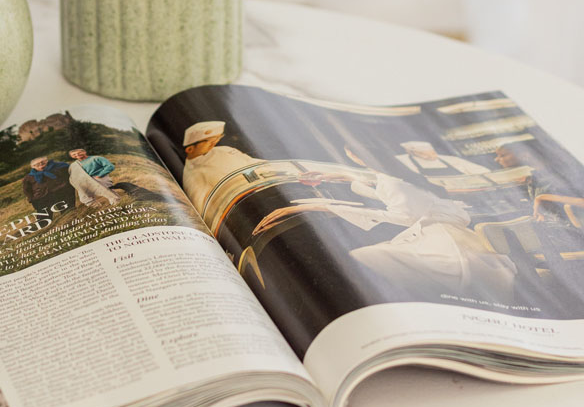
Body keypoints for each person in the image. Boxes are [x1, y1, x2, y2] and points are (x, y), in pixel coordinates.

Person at [254, 148, 517, 301]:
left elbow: (401, 215)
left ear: (359, 156)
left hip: (446, 244)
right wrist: (341, 176)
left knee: (364, 257)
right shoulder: (398, 175)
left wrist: (317, 205)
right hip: (447, 234)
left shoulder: (393, 182)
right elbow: (383, 190)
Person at [180, 121, 265, 212]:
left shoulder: (225, 150)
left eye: (217, 139)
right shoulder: (192, 175)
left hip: (263, 187)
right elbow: (203, 208)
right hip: (244, 206)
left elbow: (252, 162)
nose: (214, 144)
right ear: (190, 149)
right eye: (209, 141)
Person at [396, 140, 490, 177]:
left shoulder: (451, 159)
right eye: (423, 154)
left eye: (432, 153)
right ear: (410, 152)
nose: (431, 156)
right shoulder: (401, 160)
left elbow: (483, 171)